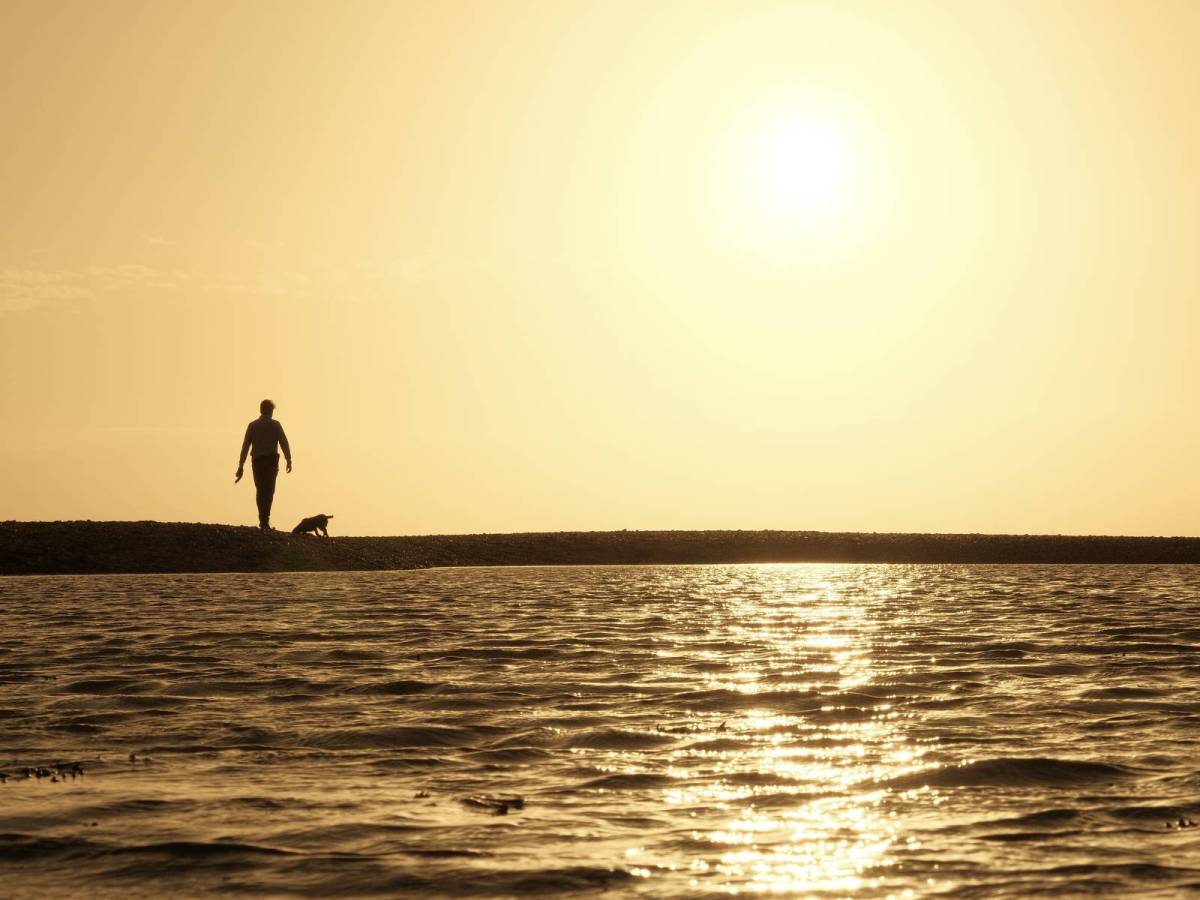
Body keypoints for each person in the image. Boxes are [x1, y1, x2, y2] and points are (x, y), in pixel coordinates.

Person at [235, 399, 292, 530]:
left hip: (257, 461)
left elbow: (245, 446)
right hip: (271, 461)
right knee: (269, 491)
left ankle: (263, 520)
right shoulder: (275, 425)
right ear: (271, 411)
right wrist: (289, 459)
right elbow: (284, 442)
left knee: (260, 490)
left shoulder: (252, 425)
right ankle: (264, 520)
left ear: (261, 410)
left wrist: (241, 465)